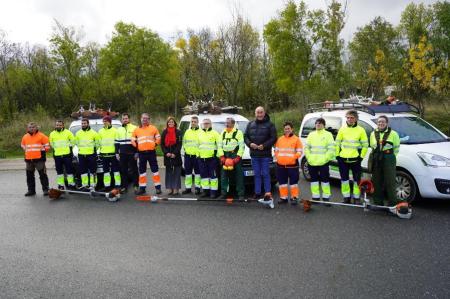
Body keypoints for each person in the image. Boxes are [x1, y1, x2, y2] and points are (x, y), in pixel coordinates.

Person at [244, 106, 277, 206]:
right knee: (257, 174)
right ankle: (257, 193)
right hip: (254, 155)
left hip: (265, 154)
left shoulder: (270, 124)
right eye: (257, 112)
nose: (259, 114)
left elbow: (274, 138)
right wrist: (250, 144)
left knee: (266, 174)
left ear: (264, 113)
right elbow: (245, 137)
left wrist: (265, 145)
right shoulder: (250, 124)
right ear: (255, 113)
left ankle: (267, 193)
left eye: (261, 112)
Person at [335, 110, 369, 204]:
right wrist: (337, 155)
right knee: (344, 180)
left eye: (352, 117)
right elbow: (337, 143)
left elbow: (365, 145)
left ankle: (357, 198)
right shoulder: (342, 129)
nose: (349, 119)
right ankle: (346, 198)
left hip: (355, 159)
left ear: (356, 119)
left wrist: (361, 157)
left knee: (356, 180)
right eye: (348, 117)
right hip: (343, 159)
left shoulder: (361, 130)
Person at [369, 115, 401, 206]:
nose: (381, 123)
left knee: (390, 181)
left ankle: (392, 203)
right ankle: (378, 202)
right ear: (377, 123)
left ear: (386, 123)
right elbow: (372, 146)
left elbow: (396, 148)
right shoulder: (373, 133)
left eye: (383, 122)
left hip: (389, 158)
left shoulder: (394, 133)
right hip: (377, 158)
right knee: (376, 181)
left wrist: (390, 157)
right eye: (379, 122)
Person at [304, 118, 335, 203]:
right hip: (312, 162)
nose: (318, 124)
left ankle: (326, 198)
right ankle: (315, 197)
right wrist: (309, 158)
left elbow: (331, 149)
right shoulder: (311, 134)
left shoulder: (328, 134)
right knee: (314, 181)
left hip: (323, 162)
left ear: (324, 125)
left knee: (325, 181)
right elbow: (306, 148)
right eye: (316, 123)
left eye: (320, 123)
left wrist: (326, 158)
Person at [132, 113, 162, 195]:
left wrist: (154, 145)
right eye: (143, 118)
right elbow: (133, 140)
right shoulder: (136, 129)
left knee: (155, 170)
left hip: (151, 152)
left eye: (146, 118)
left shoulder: (153, 128)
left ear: (149, 119)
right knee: (142, 171)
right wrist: (137, 148)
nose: (144, 120)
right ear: (141, 119)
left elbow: (158, 138)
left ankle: (158, 188)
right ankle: (142, 188)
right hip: (141, 153)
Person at [274, 122, 303, 205]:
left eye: (288, 129)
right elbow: (276, 150)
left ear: (292, 129)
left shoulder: (296, 139)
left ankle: (294, 198)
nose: (287, 130)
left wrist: (293, 157)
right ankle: (283, 198)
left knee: (293, 183)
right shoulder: (280, 139)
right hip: (281, 165)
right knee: (282, 183)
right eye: (285, 129)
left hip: (292, 165)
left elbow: (300, 151)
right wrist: (278, 157)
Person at [217, 117, 245, 200]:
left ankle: (240, 194)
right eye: (226, 123)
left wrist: (238, 157)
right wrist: (221, 156)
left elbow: (241, 146)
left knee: (239, 175)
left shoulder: (238, 133)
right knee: (223, 175)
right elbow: (219, 145)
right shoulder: (223, 133)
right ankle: (223, 193)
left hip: (235, 155)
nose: (226, 124)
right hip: (225, 155)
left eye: (228, 123)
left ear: (233, 124)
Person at [21, 122, 50, 196]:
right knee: (29, 176)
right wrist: (27, 151)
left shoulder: (42, 136)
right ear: (27, 128)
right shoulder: (25, 136)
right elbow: (23, 145)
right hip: (29, 160)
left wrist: (41, 153)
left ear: (36, 127)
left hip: (39, 159)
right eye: (30, 127)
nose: (31, 128)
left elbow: (47, 147)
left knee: (43, 175)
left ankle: (46, 189)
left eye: (33, 127)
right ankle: (31, 190)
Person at [198, 118, 221, 198]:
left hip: (212, 159)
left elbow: (219, 145)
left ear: (211, 124)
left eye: (207, 123)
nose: (206, 125)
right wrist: (198, 155)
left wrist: (217, 156)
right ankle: (205, 191)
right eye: (205, 123)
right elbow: (197, 145)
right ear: (202, 124)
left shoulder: (215, 133)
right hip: (202, 159)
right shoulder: (200, 133)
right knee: (204, 176)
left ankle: (213, 192)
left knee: (213, 176)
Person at [49, 120, 75, 190]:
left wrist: (69, 147)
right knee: (59, 172)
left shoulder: (68, 132)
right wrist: (56, 149)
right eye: (57, 125)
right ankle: (61, 185)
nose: (58, 126)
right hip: (57, 155)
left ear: (63, 125)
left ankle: (71, 184)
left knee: (69, 171)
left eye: (60, 125)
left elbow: (73, 141)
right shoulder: (52, 133)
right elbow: (51, 143)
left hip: (67, 155)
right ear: (55, 126)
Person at [115, 113, 138, 193]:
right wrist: (117, 153)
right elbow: (116, 142)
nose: (125, 120)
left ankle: (136, 186)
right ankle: (124, 187)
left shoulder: (135, 128)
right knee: (123, 171)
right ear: (122, 120)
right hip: (122, 153)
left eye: (126, 118)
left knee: (134, 170)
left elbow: (137, 141)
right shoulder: (118, 129)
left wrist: (137, 152)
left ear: (129, 119)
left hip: (132, 153)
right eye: (123, 118)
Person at [74, 118, 99, 191]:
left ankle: (93, 186)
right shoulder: (78, 133)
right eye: (82, 123)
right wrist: (81, 150)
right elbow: (76, 143)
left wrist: (93, 151)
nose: (83, 125)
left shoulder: (94, 133)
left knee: (92, 171)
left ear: (88, 124)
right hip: (81, 155)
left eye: (85, 123)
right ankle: (85, 185)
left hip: (91, 155)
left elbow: (97, 144)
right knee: (83, 171)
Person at [98, 116, 121, 191]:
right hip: (104, 155)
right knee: (106, 172)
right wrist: (100, 153)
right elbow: (99, 143)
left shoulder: (115, 130)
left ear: (110, 122)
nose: (104, 122)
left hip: (113, 154)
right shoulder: (100, 131)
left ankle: (118, 185)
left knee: (116, 171)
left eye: (106, 121)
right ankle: (107, 186)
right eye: (103, 121)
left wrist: (117, 152)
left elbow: (117, 143)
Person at [161, 116, 182, 195]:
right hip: (167, 156)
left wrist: (174, 153)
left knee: (177, 172)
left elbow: (180, 144)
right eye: (169, 122)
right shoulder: (164, 132)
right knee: (169, 172)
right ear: (167, 123)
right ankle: (169, 188)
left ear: (174, 123)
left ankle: (176, 188)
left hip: (176, 155)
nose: (170, 123)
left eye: (172, 122)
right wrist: (166, 153)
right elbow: (162, 144)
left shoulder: (178, 132)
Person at [182, 116, 201, 195]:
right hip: (188, 155)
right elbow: (184, 142)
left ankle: (197, 188)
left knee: (197, 173)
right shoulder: (187, 131)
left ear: (197, 122)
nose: (193, 123)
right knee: (188, 173)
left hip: (197, 156)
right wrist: (186, 150)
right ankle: (188, 188)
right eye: (192, 121)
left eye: (195, 121)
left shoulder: (201, 132)